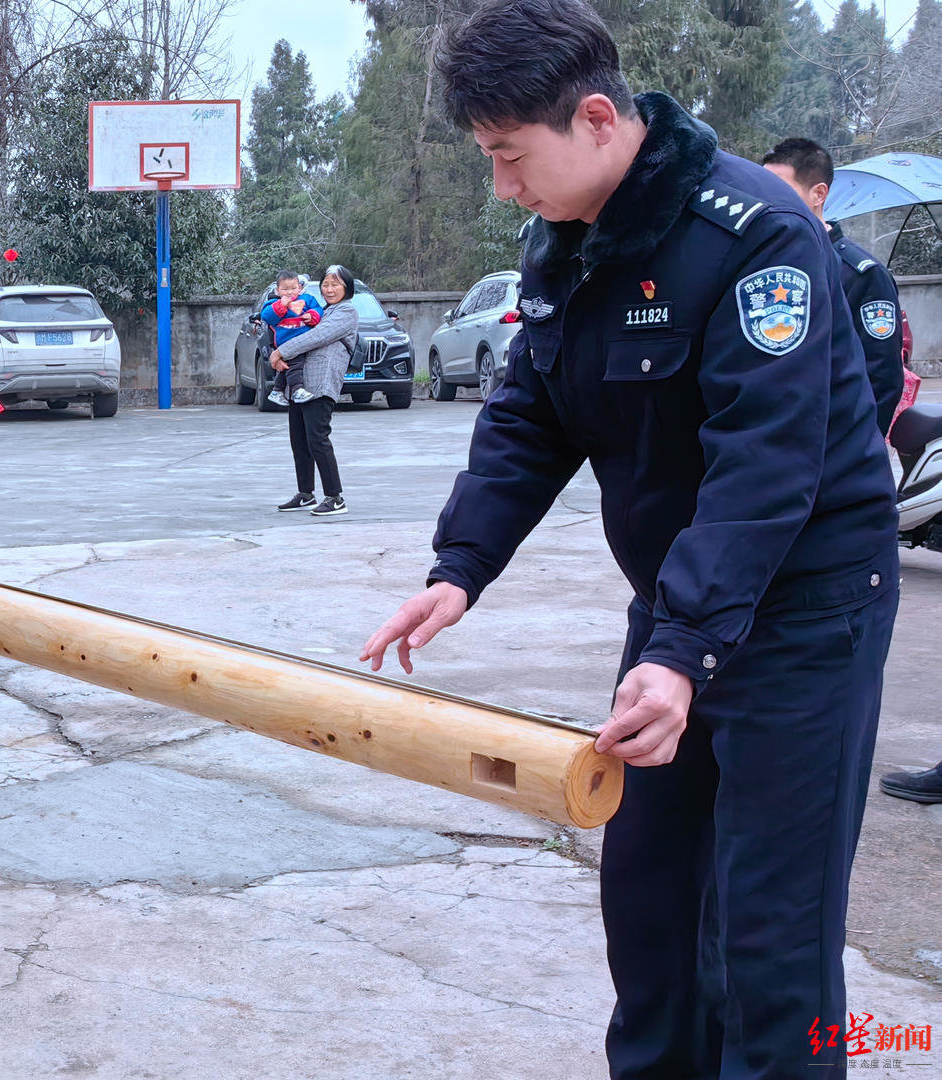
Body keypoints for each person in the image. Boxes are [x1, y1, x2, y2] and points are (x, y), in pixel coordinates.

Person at [358, 2, 899, 1075]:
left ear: (595, 118)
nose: (503, 186)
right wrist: (459, 566)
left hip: (802, 613)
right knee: (646, 903)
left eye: (510, 157)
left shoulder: (754, 235)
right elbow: (530, 410)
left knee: (768, 933)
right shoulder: (564, 241)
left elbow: (765, 463)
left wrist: (680, 650)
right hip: (676, 613)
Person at [761, 137, 907, 437]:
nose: (765, 200)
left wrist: (855, 456)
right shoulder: (763, 267)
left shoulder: (862, 275)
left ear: (819, 194)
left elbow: (882, 379)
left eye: (779, 190)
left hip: (835, 451)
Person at [271, 266, 357, 517]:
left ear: (346, 288)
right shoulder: (322, 310)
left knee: (317, 439)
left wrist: (280, 352)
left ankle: (335, 497)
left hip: (321, 384)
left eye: (335, 285)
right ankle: (306, 494)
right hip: (300, 385)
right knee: (299, 441)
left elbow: (316, 337)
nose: (329, 290)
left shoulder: (346, 312)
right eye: (326, 285)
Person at [260, 270, 324, 406]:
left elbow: (319, 309)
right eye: (285, 289)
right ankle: (297, 390)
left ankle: (277, 390)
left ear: (300, 288)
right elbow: (267, 316)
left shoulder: (308, 299)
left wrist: (312, 316)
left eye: (293, 288)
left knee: (287, 367)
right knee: (295, 365)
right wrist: (281, 306)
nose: (290, 292)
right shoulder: (273, 303)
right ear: (278, 290)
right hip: (286, 342)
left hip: (304, 340)